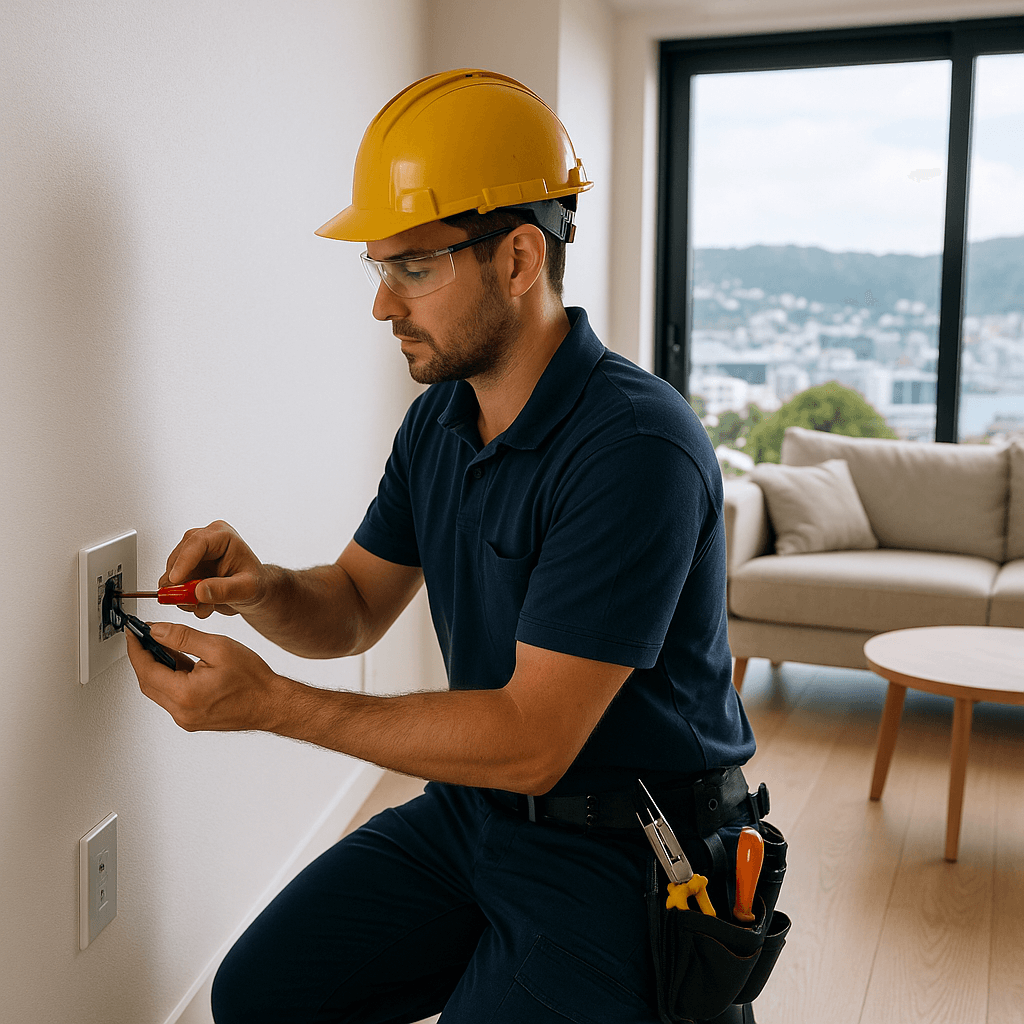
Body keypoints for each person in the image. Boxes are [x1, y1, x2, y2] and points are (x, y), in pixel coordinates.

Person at [126, 69, 759, 1024]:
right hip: (481, 812)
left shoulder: (636, 448)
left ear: (517, 259)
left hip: (630, 849)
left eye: (413, 268)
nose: (384, 307)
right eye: (379, 269)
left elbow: (533, 741)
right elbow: (349, 607)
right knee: (262, 993)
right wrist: (262, 588)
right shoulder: (440, 424)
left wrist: (273, 706)